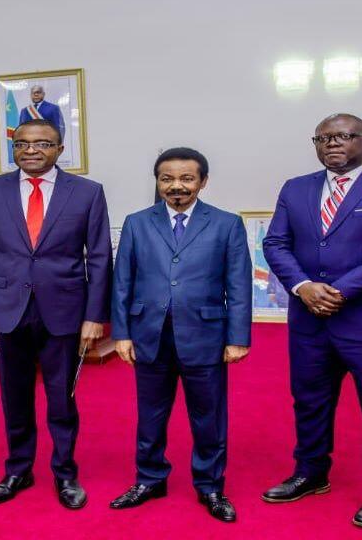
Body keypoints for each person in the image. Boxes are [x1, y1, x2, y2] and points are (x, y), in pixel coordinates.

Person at [261, 113, 362, 528]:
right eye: (323, 138)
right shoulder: (295, 188)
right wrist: (303, 286)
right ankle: (311, 472)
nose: (333, 143)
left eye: (344, 136)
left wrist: (339, 290)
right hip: (309, 318)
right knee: (310, 401)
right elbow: (276, 242)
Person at [0, 118, 111, 509]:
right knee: (13, 397)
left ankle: (65, 473)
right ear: (14, 148)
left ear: (60, 149)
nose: (31, 150)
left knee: (61, 399)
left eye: (42, 143)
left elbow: (99, 259)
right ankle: (18, 469)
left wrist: (94, 316)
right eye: (23, 144)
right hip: (6, 310)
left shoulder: (86, 192)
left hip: (64, 311)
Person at [109, 147, 252, 523]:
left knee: (208, 417)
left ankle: (210, 485)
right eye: (167, 179)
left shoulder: (226, 224)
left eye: (187, 178)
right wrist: (121, 333)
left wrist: (238, 338)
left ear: (203, 181)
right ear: (157, 182)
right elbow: (122, 282)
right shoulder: (137, 223)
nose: (176, 186)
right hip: (148, 335)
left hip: (206, 335)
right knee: (150, 416)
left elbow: (238, 286)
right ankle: (150, 478)